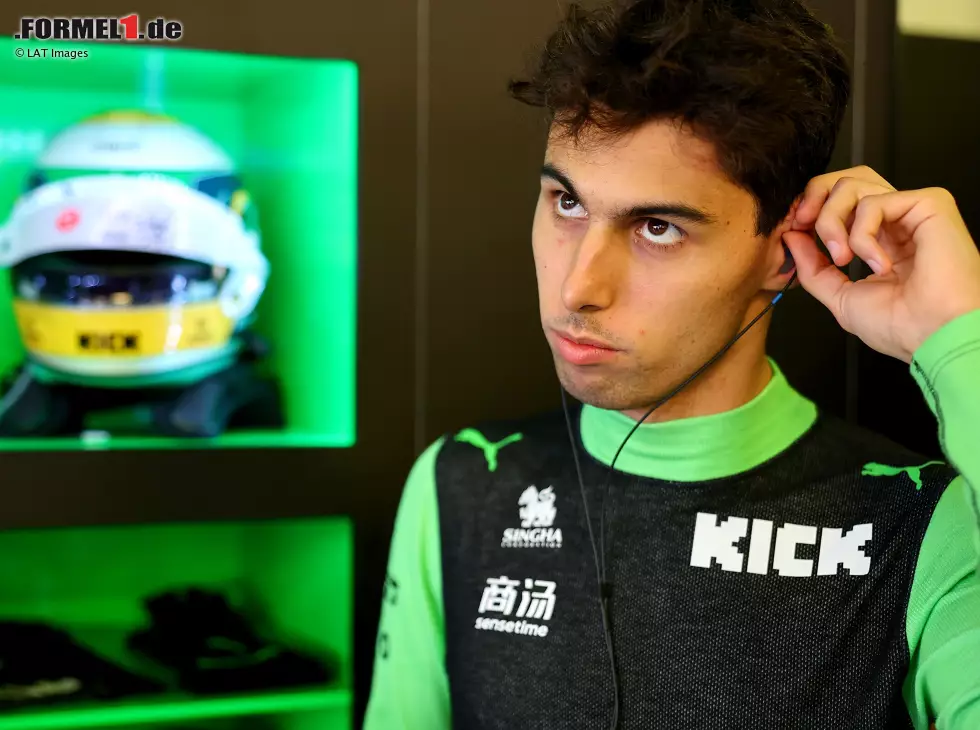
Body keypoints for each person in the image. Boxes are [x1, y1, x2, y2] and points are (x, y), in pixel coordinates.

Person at [364, 0, 980, 727]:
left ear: (784, 254)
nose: (578, 287)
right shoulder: (462, 484)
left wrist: (958, 340)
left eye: (657, 227)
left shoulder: (926, 525)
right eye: (566, 202)